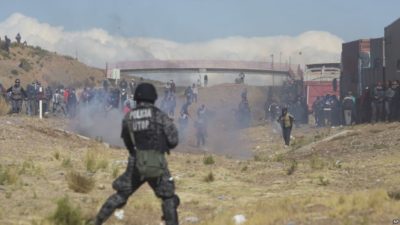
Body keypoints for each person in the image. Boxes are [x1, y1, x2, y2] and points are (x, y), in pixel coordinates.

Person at [94, 83, 180, 225]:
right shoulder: (160, 115)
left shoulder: (129, 117)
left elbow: (127, 141)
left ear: (137, 98)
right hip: (157, 162)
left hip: (136, 163)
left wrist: (136, 153)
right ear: (153, 98)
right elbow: (173, 140)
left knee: (120, 195)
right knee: (168, 198)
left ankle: (96, 221)